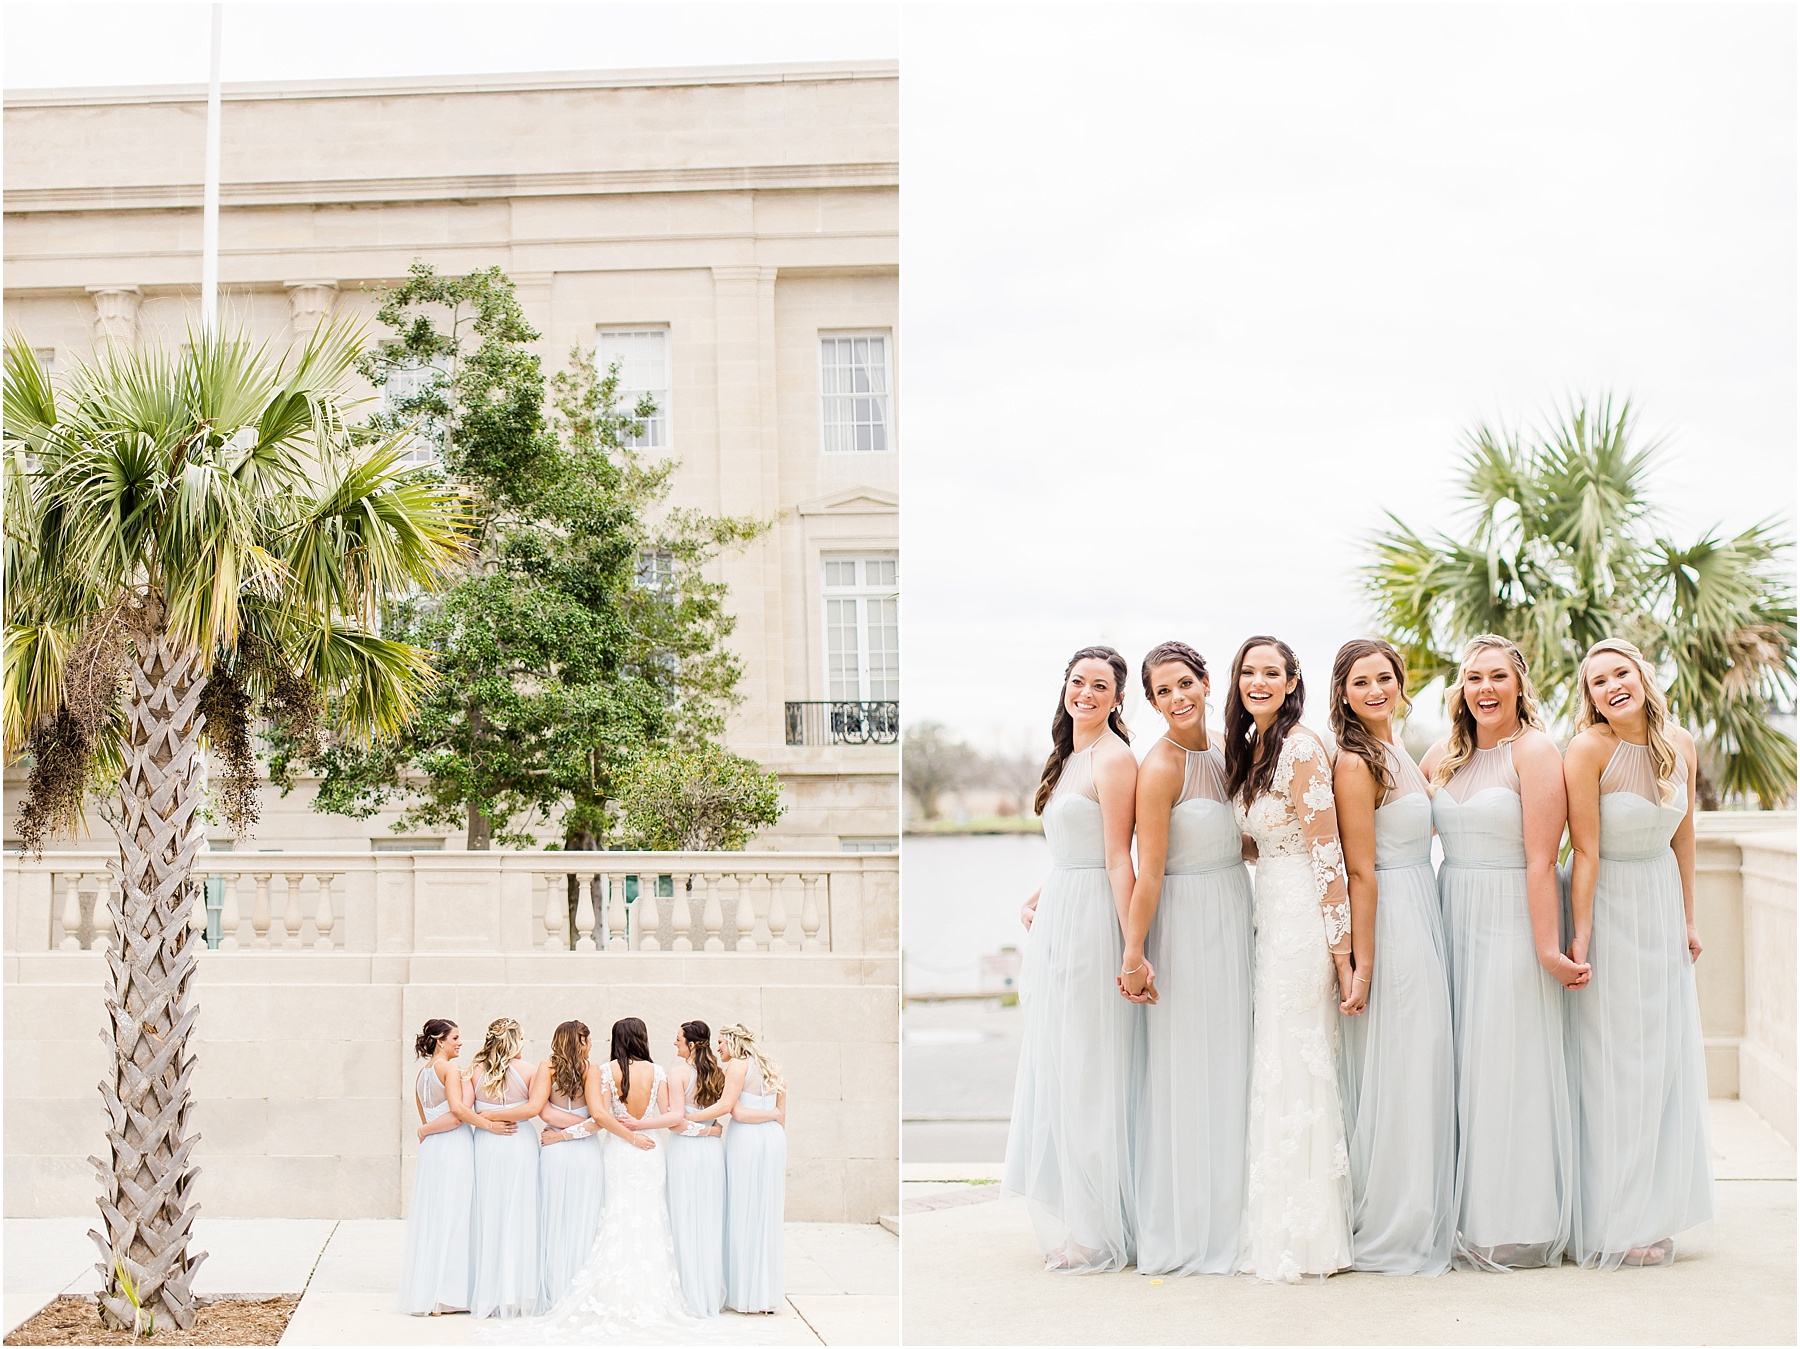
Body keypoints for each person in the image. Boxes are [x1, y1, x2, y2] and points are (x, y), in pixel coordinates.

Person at [1563, 637, 1713, 1268]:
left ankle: (1649, 1209)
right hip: (1612, 906)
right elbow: (1586, 851)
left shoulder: (1681, 743)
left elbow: (1685, 836)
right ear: (1590, 697)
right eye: (1598, 682)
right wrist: (1579, 935)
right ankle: (1610, 1219)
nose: (1611, 687)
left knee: (1659, 1060)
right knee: (1613, 1060)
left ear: (1641, 674)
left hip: (1659, 905)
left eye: (1619, 673)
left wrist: (1687, 919)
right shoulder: (1588, 750)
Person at [1002, 645, 1144, 1272]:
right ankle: (1081, 1216)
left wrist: (1131, 946)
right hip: (1063, 911)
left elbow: (1118, 857)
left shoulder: (1113, 760)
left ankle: (1097, 1230)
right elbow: (1073, 846)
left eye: (1100, 686)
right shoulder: (1069, 758)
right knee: (1062, 1065)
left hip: (1093, 925)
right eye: (1077, 682)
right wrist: (1041, 894)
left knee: (1091, 1070)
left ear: (1118, 698)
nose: (1085, 693)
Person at [1329, 638, 1455, 1275]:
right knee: (1402, 1061)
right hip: (1392, 918)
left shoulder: (1401, 749)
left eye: (1383, 678)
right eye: (1359, 682)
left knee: (1421, 1061)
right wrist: (1363, 962)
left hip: (1422, 906)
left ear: (1401, 683)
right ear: (1343, 695)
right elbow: (1359, 869)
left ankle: (1424, 1206)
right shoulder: (1355, 762)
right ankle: (1392, 1220)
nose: (1374, 690)